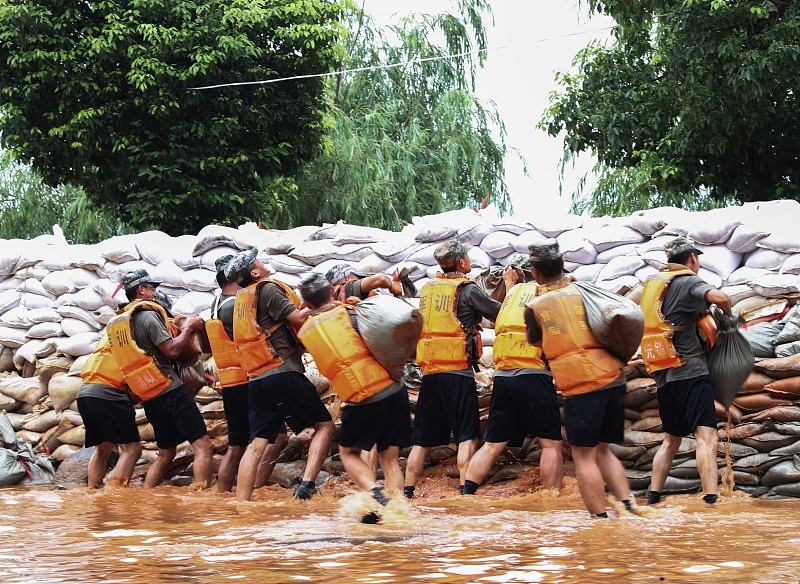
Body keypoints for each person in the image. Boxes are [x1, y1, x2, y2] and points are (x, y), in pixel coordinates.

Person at [523, 240, 635, 518]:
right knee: (604, 451)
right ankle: (630, 509)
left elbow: (534, 340)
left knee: (584, 455)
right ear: (563, 266)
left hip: (582, 384)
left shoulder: (535, 306)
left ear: (535, 272)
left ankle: (599, 520)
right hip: (612, 376)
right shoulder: (584, 291)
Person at [297, 272, 415, 522]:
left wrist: (308, 311)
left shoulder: (305, 332)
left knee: (348, 453)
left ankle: (374, 494)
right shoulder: (352, 311)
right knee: (390, 457)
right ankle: (398, 513)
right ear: (331, 290)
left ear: (306, 303)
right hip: (392, 389)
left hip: (360, 398)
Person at [404, 240, 516, 498]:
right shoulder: (467, 289)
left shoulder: (428, 289)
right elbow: (499, 313)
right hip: (458, 374)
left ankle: (407, 491)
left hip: (430, 374)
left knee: (422, 440)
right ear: (461, 263)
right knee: (466, 435)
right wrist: (509, 288)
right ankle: (466, 491)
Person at [225, 249, 335, 502]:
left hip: (257, 377)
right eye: (259, 262)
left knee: (257, 442)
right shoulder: (268, 289)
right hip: (281, 370)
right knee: (324, 425)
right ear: (254, 272)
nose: (263, 264)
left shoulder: (241, 299)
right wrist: (321, 306)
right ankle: (307, 486)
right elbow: (296, 319)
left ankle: (242, 504)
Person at [640, 236, 732, 506]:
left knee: (671, 440)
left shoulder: (654, 284)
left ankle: (653, 497)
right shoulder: (687, 280)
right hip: (690, 371)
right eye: (698, 259)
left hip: (664, 374)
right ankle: (711, 499)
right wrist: (728, 318)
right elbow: (721, 297)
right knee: (707, 436)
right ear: (692, 257)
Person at [106, 269, 213, 489]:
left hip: (149, 395)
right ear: (141, 290)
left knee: (165, 453)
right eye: (151, 287)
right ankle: (204, 502)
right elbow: (172, 351)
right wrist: (190, 328)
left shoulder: (120, 322)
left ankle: (147, 501)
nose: (155, 292)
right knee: (203, 446)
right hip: (169, 390)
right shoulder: (147, 315)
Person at [462, 276, 564, 495]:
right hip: (532, 375)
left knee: (492, 444)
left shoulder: (513, 294)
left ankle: (467, 493)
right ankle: (551, 497)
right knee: (550, 444)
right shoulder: (546, 292)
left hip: (503, 376)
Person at [205, 254, 288, 493]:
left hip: (231, 382)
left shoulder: (216, 304)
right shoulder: (233, 306)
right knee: (275, 437)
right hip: (246, 381)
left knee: (237, 444)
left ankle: (222, 495)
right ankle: (254, 488)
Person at [77, 330, 143, 488]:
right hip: (107, 393)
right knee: (132, 449)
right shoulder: (140, 332)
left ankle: (93, 491)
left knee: (102, 449)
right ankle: (114, 494)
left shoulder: (113, 333)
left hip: (85, 393)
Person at [325, 263, 414, 302]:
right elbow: (382, 280)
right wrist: (392, 286)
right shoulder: (347, 288)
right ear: (347, 277)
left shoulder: (337, 300)